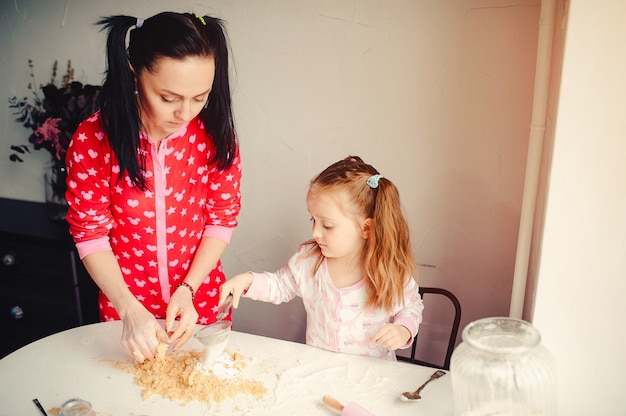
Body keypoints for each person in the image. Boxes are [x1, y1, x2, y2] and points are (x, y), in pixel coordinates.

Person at [65, 12, 241, 362]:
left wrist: (189, 288)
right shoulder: (93, 139)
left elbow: (221, 219)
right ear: (135, 73)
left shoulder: (215, 136)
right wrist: (129, 309)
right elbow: (90, 234)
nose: (186, 113)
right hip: (127, 311)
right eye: (169, 97)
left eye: (199, 96)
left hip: (199, 302)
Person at [219, 156, 423, 360]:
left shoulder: (388, 268)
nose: (315, 232)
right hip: (320, 371)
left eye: (327, 225)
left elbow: (411, 306)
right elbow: (280, 285)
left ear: (366, 228)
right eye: (313, 219)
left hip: (373, 378)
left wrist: (403, 329)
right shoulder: (308, 261)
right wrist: (247, 281)